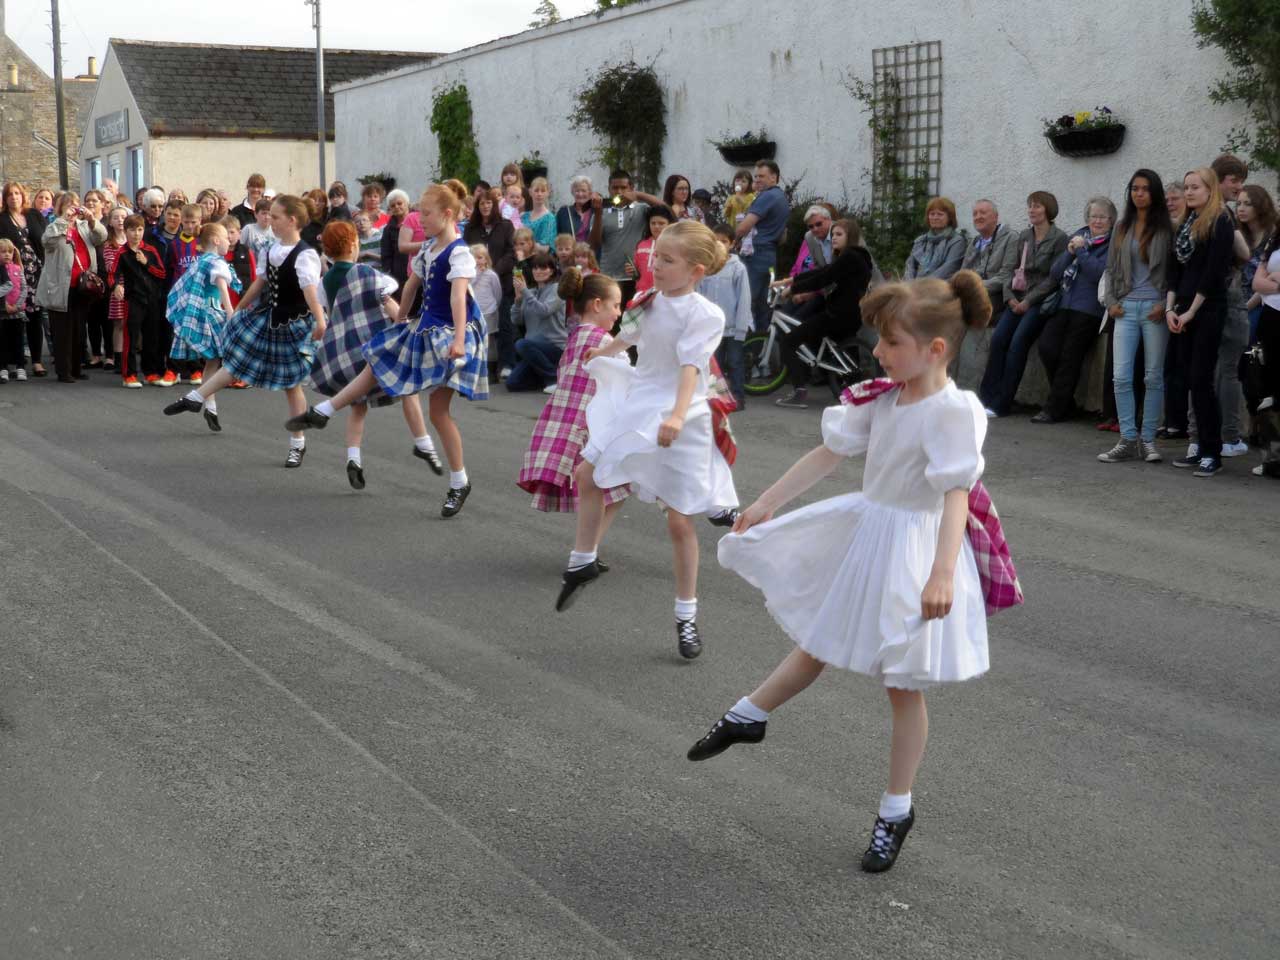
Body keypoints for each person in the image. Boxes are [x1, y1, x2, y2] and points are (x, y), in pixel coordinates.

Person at [686, 270, 1007, 875]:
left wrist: (941, 573)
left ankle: (895, 810)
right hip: (869, 532)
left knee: (902, 682)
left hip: (914, 546)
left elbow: (955, 495)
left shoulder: (952, 411)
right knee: (820, 639)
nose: (879, 353)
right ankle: (748, 715)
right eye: (880, 342)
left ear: (935, 349)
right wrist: (766, 502)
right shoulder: (883, 395)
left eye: (891, 343)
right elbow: (828, 454)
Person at [554, 220, 739, 660]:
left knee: (679, 520)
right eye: (655, 256)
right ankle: (582, 561)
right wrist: (606, 351)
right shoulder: (648, 300)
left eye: (667, 260)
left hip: (684, 409)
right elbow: (631, 335)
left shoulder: (704, 314)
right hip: (642, 399)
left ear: (696, 271)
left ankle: (686, 616)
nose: (655, 265)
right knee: (589, 471)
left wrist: (676, 415)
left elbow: (693, 367)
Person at [286, 182, 488, 517]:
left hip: (454, 333)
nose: (419, 220)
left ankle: (457, 481)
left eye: (426, 214)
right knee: (383, 362)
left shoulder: (460, 252)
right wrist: (402, 320)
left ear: (448, 214)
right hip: (426, 325)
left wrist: (456, 342)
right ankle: (325, 411)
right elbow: (411, 285)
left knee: (431, 402)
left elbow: (458, 297)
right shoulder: (428, 250)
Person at [165, 195, 327, 468]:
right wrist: (239, 309)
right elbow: (259, 283)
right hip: (269, 316)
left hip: (294, 322)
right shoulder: (271, 250)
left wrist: (321, 322)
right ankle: (196, 398)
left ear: (292, 221)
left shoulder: (305, 255)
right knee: (237, 360)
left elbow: (311, 291)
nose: (271, 222)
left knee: (291, 384)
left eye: (275, 218)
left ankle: (297, 445)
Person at [308, 220, 441, 489]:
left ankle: (353, 458)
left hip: (346, 352)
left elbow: (329, 312)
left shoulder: (326, 282)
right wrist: (405, 327)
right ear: (355, 245)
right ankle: (422, 442)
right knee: (408, 389)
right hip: (374, 347)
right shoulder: (368, 274)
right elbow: (389, 304)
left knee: (357, 406)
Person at [518, 268, 630, 514]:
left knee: (601, 490)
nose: (618, 313)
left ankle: (588, 547)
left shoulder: (576, 336)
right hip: (593, 427)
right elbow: (623, 379)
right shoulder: (603, 341)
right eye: (616, 305)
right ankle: (588, 548)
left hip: (574, 424)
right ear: (597, 304)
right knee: (612, 487)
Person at [1098, 170, 1172, 464]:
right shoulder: (1122, 226)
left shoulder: (1167, 227)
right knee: (1121, 377)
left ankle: (1149, 441)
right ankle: (1127, 438)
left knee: (1153, 377)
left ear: (1154, 193)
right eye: (1134, 189)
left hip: (1154, 309)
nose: (1138, 193)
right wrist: (1112, 302)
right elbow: (1112, 268)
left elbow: (1173, 271)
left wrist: (1165, 303)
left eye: (1144, 189)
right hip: (1126, 309)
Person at [1167, 167, 1237, 477]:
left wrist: (1192, 311)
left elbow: (1213, 271)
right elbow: (1174, 270)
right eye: (1186, 187)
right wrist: (1171, 308)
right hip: (1181, 308)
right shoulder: (1185, 222)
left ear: (1211, 189)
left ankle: (1212, 452)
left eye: (1195, 186)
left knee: (1201, 380)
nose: (1189, 192)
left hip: (1207, 308)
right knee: (1186, 378)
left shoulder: (1220, 220)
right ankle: (1200, 449)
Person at [978, 191, 1069, 417]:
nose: (1032, 210)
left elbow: (1053, 278)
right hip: (1016, 298)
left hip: (1038, 301)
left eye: (1037, 206)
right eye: (1030, 206)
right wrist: (1009, 297)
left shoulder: (1059, 238)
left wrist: (1028, 301)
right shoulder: (1024, 236)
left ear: (1048, 210)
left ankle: (1001, 404)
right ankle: (985, 399)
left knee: (1018, 343)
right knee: (999, 339)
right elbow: (1010, 269)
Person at [771, 219, 875, 409]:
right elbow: (824, 271)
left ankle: (799, 391)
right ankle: (853, 390)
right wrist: (790, 280)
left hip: (838, 314)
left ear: (850, 236)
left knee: (788, 341)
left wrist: (793, 289)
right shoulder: (855, 256)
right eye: (833, 234)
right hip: (850, 313)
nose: (833, 238)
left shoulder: (850, 256)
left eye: (839, 234)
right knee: (843, 350)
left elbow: (823, 278)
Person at [1031, 197, 1116, 423]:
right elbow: (1056, 272)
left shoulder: (1113, 244)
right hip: (1065, 305)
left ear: (1111, 220)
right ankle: (1067, 404)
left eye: (1102, 217)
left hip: (1089, 310)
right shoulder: (1079, 238)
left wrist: (1081, 253)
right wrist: (1070, 251)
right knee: (1048, 347)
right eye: (1093, 216)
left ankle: (1054, 409)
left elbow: (1099, 273)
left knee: (1070, 356)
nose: (1097, 221)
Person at [165, 221, 234, 430]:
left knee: (212, 361)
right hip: (213, 312)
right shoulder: (217, 262)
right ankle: (199, 400)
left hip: (202, 312)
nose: (229, 241)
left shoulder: (200, 260)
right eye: (226, 238)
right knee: (231, 359)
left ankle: (210, 407)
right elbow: (222, 285)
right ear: (215, 240)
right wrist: (230, 312)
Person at [35, 192, 106, 383]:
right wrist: (64, 221)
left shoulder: (84, 226)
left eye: (76, 204)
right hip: (61, 286)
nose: (73, 208)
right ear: (60, 208)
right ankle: (63, 370)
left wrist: (92, 220)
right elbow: (46, 241)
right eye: (69, 205)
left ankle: (76, 368)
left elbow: (101, 237)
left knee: (79, 330)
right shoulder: (54, 226)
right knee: (62, 331)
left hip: (82, 286)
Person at [462, 188, 517, 375]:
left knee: (503, 323)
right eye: (482, 203)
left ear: (494, 205)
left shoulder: (506, 226)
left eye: (489, 203)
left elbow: (512, 252)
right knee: (476, 326)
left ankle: (506, 364)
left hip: (501, 281)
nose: (485, 206)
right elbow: (464, 253)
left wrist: (493, 269)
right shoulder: (470, 229)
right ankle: (477, 364)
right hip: (475, 284)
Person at [698, 222, 753, 408]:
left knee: (736, 363)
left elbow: (744, 299)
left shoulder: (738, 268)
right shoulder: (705, 267)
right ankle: (717, 399)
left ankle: (738, 398)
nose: (719, 244)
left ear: (732, 244)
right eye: (716, 241)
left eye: (724, 241)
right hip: (712, 328)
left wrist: (741, 328)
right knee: (715, 364)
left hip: (732, 327)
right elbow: (699, 295)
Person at [735, 160, 791, 333]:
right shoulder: (781, 197)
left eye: (762, 176)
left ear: (774, 177)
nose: (757, 180)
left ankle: (745, 347)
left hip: (756, 255)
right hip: (769, 254)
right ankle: (761, 347)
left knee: (746, 300)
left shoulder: (767, 196)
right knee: (762, 304)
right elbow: (783, 236)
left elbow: (745, 226)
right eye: (756, 176)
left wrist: (728, 242)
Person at [0, 181, 49, 376]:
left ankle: (37, 361)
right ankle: (14, 360)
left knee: (35, 316)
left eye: (17, 193)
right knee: (13, 318)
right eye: (10, 194)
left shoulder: (34, 215)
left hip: (36, 272)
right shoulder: (2, 219)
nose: (14, 197)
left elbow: (45, 239)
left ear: (23, 195)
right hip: (14, 273)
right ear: (5, 198)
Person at [112, 213, 166, 387]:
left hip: (152, 299)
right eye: (132, 230)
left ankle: (150, 372)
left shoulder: (150, 250)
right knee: (132, 337)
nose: (136, 233)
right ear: (126, 231)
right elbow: (112, 275)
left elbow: (162, 273)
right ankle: (129, 375)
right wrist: (116, 287)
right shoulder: (122, 252)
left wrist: (146, 263)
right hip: (133, 299)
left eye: (140, 229)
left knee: (152, 337)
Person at [506, 251, 567, 392]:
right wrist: (518, 300)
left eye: (543, 268)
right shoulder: (531, 292)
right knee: (512, 383)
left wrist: (525, 292)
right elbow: (516, 320)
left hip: (554, 346)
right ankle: (549, 376)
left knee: (521, 344)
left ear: (552, 270)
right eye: (535, 268)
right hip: (533, 349)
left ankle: (552, 378)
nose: (538, 271)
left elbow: (543, 311)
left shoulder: (557, 290)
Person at [590, 169, 650, 307]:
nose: (619, 192)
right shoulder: (602, 212)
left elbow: (665, 211)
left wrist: (639, 195)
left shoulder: (641, 209)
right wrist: (598, 213)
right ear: (609, 189)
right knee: (611, 320)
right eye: (615, 188)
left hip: (636, 276)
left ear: (631, 188)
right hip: (610, 277)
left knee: (635, 321)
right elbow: (594, 244)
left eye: (624, 188)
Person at [960, 199, 1019, 317]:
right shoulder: (975, 241)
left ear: (995, 217)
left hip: (996, 295)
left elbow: (1005, 277)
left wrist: (975, 287)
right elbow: (963, 272)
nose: (978, 217)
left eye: (983, 212)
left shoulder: (1011, 238)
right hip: (972, 293)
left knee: (956, 310)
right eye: (975, 214)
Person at [903, 197, 966, 280]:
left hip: (940, 289)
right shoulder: (920, 241)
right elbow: (909, 267)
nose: (935, 217)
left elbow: (947, 270)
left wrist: (920, 286)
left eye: (940, 214)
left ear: (950, 218)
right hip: (913, 288)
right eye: (932, 214)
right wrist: (909, 286)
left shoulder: (957, 241)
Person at [100, 205, 130, 373]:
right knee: (118, 324)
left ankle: (129, 357)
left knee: (131, 323)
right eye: (116, 217)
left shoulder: (134, 240)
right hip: (118, 286)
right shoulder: (109, 245)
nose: (120, 220)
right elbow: (112, 266)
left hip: (133, 286)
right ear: (110, 222)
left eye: (123, 217)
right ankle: (118, 359)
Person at [629, 204, 674, 296]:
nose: (656, 226)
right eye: (653, 223)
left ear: (669, 224)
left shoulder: (674, 245)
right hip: (641, 293)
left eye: (661, 223)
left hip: (664, 294)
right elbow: (637, 275)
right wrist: (632, 271)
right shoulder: (641, 244)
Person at [555, 175, 599, 254]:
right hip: (571, 259)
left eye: (584, 191)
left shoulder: (596, 212)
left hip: (593, 258)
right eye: (577, 191)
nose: (580, 194)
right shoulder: (563, 213)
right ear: (572, 192)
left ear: (590, 192)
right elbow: (557, 237)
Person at [469, 243, 503, 345]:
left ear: (486, 259)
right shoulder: (468, 276)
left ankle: (490, 359)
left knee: (488, 338)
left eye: (479, 258)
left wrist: (494, 306)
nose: (476, 261)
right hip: (474, 311)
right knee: (475, 337)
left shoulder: (491, 275)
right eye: (473, 258)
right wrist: (477, 273)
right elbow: (469, 287)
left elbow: (497, 293)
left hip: (489, 311)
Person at [221, 215, 255, 309]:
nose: (229, 236)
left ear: (239, 233)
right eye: (225, 233)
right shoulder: (218, 253)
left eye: (232, 232)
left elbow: (253, 276)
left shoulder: (246, 251)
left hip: (242, 300)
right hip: (222, 301)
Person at [522, 177, 557, 252]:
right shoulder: (524, 216)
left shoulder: (549, 218)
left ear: (548, 193)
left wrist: (524, 244)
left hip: (538, 260)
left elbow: (545, 249)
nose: (539, 194)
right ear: (530, 192)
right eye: (536, 190)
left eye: (543, 191)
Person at [721, 169, 755, 236]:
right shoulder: (731, 198)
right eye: (737, 181)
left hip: (745, 228)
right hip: (732, 227)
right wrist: (728, 208)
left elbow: (751, 210)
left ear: (749, 184)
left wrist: (742, 202)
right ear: (734, 183)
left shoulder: (751, 197)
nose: (739, 183)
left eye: (743, 181)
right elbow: (725, 214)